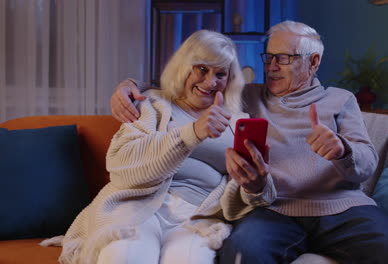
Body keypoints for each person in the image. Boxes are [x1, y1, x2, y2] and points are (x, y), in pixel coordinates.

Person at [110, 21, 388, 264]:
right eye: (269, 56)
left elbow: (365, 164)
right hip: (271, 208)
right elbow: (185, 88)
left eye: (284, 58)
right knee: (241, 254)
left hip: (342, 209)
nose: (271, 66)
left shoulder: (340, 99)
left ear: (313, 62)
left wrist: (342, 151)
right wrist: (131, 86)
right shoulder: (244, 96)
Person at [51, 30, 276, 264]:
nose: (210, 82)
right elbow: (120, 163)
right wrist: (193, 132)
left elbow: (259, 195)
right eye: (202, 69)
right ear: (184, 67)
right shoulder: (152, 104)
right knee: (123, 257)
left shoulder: (237, 122)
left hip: (196, 217)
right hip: (139, 207)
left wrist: (256, 186)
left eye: (220, 74)